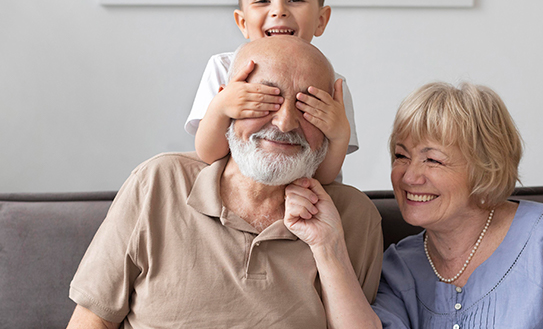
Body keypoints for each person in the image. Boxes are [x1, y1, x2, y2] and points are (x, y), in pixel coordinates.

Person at [66, 37, 383, 329]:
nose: (285, 122)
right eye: (265, 98)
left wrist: (329, 248)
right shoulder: (159, 181)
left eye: (308, 106)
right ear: (227, 105)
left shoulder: (353, 216)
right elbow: (93, 319)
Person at [370, 82, 543, 328]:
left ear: (484, 166)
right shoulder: (398, 267)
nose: (408, 176)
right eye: (400, 155)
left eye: (432, 160)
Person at [186, 0, 356, 184]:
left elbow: (326, 178)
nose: (279, 11)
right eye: (263, 0)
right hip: (238, 193)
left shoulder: (331, 82)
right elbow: (208, 154)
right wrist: (221, 107)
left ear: (321, 20)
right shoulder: (224, 67)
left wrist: (339, 136)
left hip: (302, 196)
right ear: (242, 22)